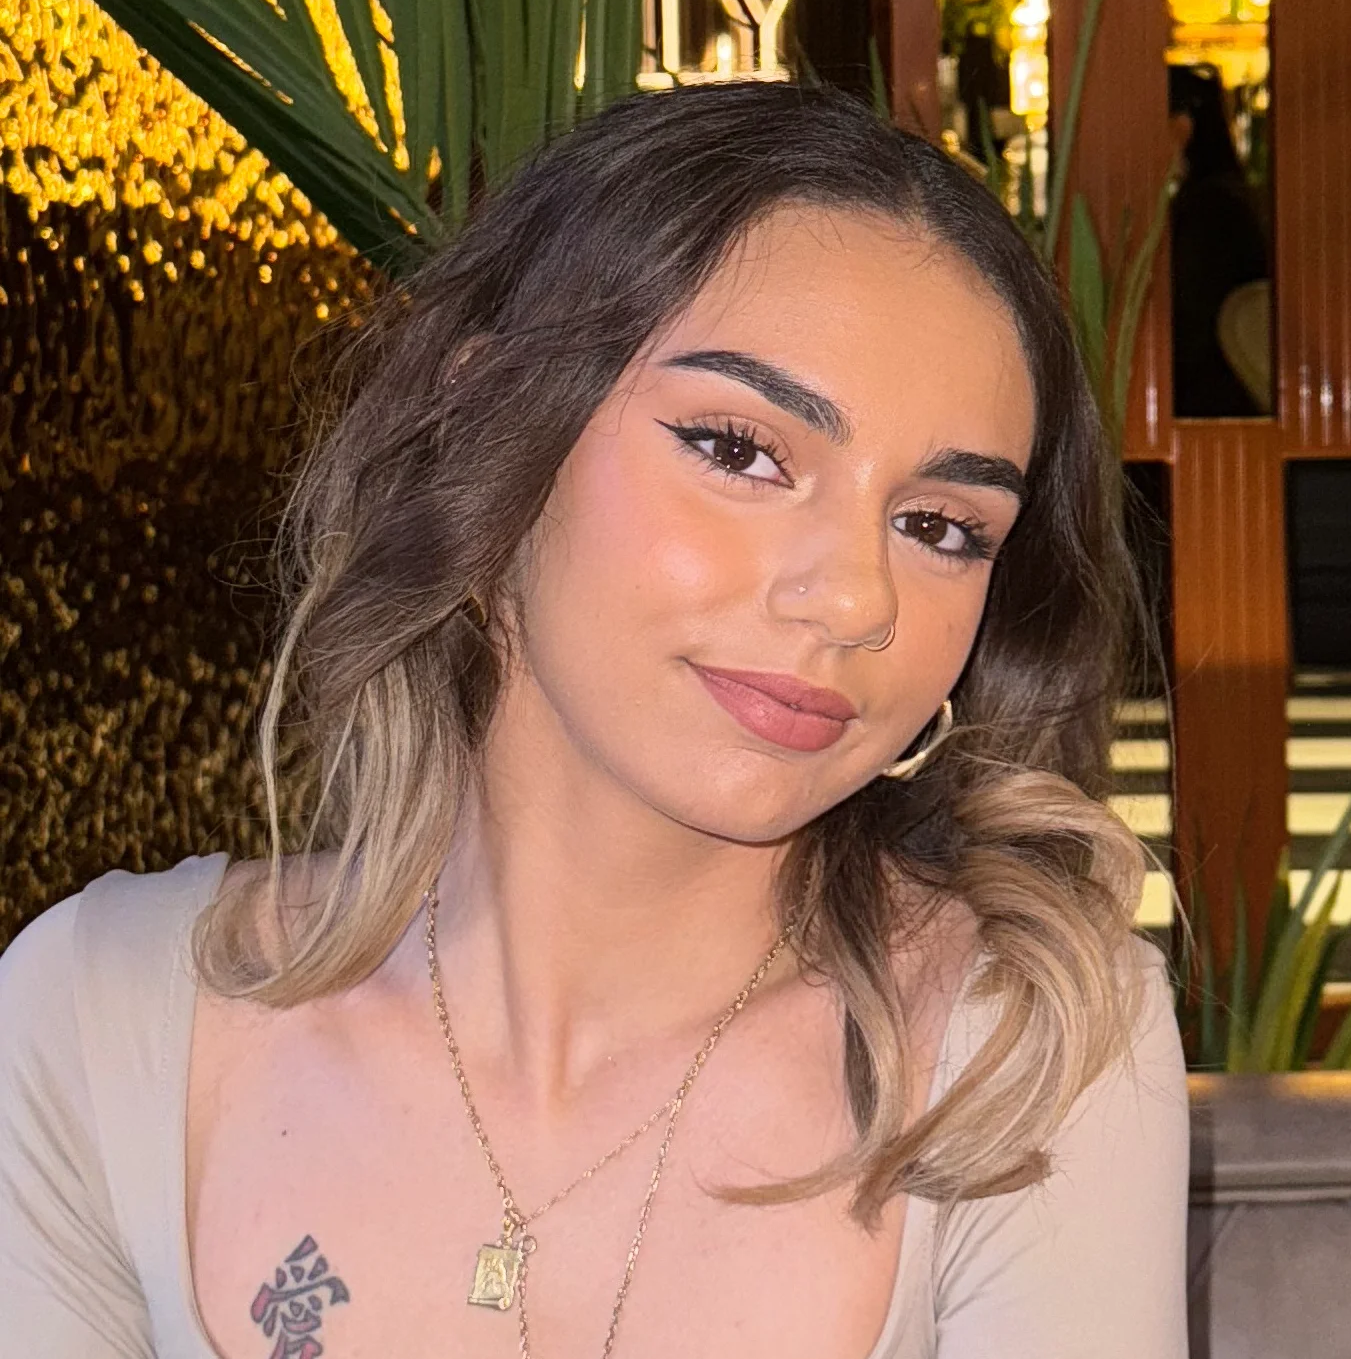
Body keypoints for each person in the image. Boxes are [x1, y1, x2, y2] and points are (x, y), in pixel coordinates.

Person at [0, 82, 1188, 1358]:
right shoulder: (103, 1018)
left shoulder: (1025, 1049)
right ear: (487, 428)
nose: (856, 599)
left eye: (940, 527)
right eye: (740, 450)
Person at [1168, 62, 1271, 417]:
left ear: (1181, 129)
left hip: (1214, 407)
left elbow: (1190, 326)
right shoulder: (1223, 199)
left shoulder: (1209, 209)